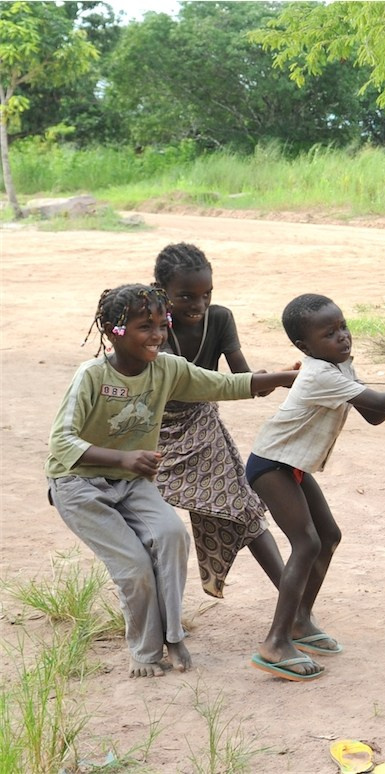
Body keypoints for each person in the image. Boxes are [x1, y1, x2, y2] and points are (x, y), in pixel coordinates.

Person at [46, 284, 298, 678]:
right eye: (145, 327)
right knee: (134, 567)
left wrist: (284, 378)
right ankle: (146, 653)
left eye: (162, 325)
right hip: (78, 485)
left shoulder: (167, 369)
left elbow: (223, 384)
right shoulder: (92, 375)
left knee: (172, 536)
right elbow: (62, 442)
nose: (157, 335)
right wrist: (124, 457)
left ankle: (174, 635)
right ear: (114, 330)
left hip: (131, 482)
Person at [246, 293, 385, 682]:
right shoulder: (319, 374)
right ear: (304, 346)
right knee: (307, 543)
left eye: (343, 327)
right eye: (329, 333)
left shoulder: (340, 367)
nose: (342, 337)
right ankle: (275, 642)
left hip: (292, 464)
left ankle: (299, 621)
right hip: (271, 464)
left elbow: (374, 414)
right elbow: (380, 402)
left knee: (328, 536)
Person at [152, 242, 286, 599]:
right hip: (152, 431)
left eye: (206, 294)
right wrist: (261, 381)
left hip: (201, 425)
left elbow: (243, 379)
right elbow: (179, 378)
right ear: (161, 291)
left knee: (244, 510)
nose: (199, 305)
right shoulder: (153, 325)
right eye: (186, 296)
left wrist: (273, 379)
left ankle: (296, 604)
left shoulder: (220, 319)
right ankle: (158, 611)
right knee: (149, 520)